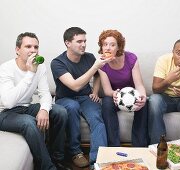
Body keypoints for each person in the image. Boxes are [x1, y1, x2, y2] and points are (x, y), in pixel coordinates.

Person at [0, 32, 69, 170]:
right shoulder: (6, 69)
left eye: (36, 47)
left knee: (60, 111)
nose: (33, 50)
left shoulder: (40, 67)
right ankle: (48, 167)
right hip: (5, 113)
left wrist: (44, 109)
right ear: (17, 50)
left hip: (26, 108)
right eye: (28, 46)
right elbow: (8, 102)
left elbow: (45, 93)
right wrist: (30, 73)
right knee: (29, 122)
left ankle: (57, 159)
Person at [51, 27, 109, 168]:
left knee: (96, 117)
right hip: (65, 99)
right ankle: (75, 152)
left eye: (85, 41)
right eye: (79, 41)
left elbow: (97, 77)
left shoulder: (89, 57)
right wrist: (94, 67)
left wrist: (95, 92)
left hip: (85, 97)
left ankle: (98, 159)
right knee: (72, 107)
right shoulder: (57, 63)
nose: (83, 44)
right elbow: (75, 86)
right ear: (67, 43)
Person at [98, 29, 148, 147]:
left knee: (144, 104)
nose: (108, 48)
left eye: (112, 44)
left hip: (132, 96)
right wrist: (114, 94)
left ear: (119, 47)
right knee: (106, 102)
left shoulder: (131, 58)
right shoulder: (101, 63)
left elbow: (139, 85)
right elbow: (107, 90)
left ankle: (140, 146)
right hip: (115, 96)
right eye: (105, 44)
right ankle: (113, 147)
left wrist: (143, 97)